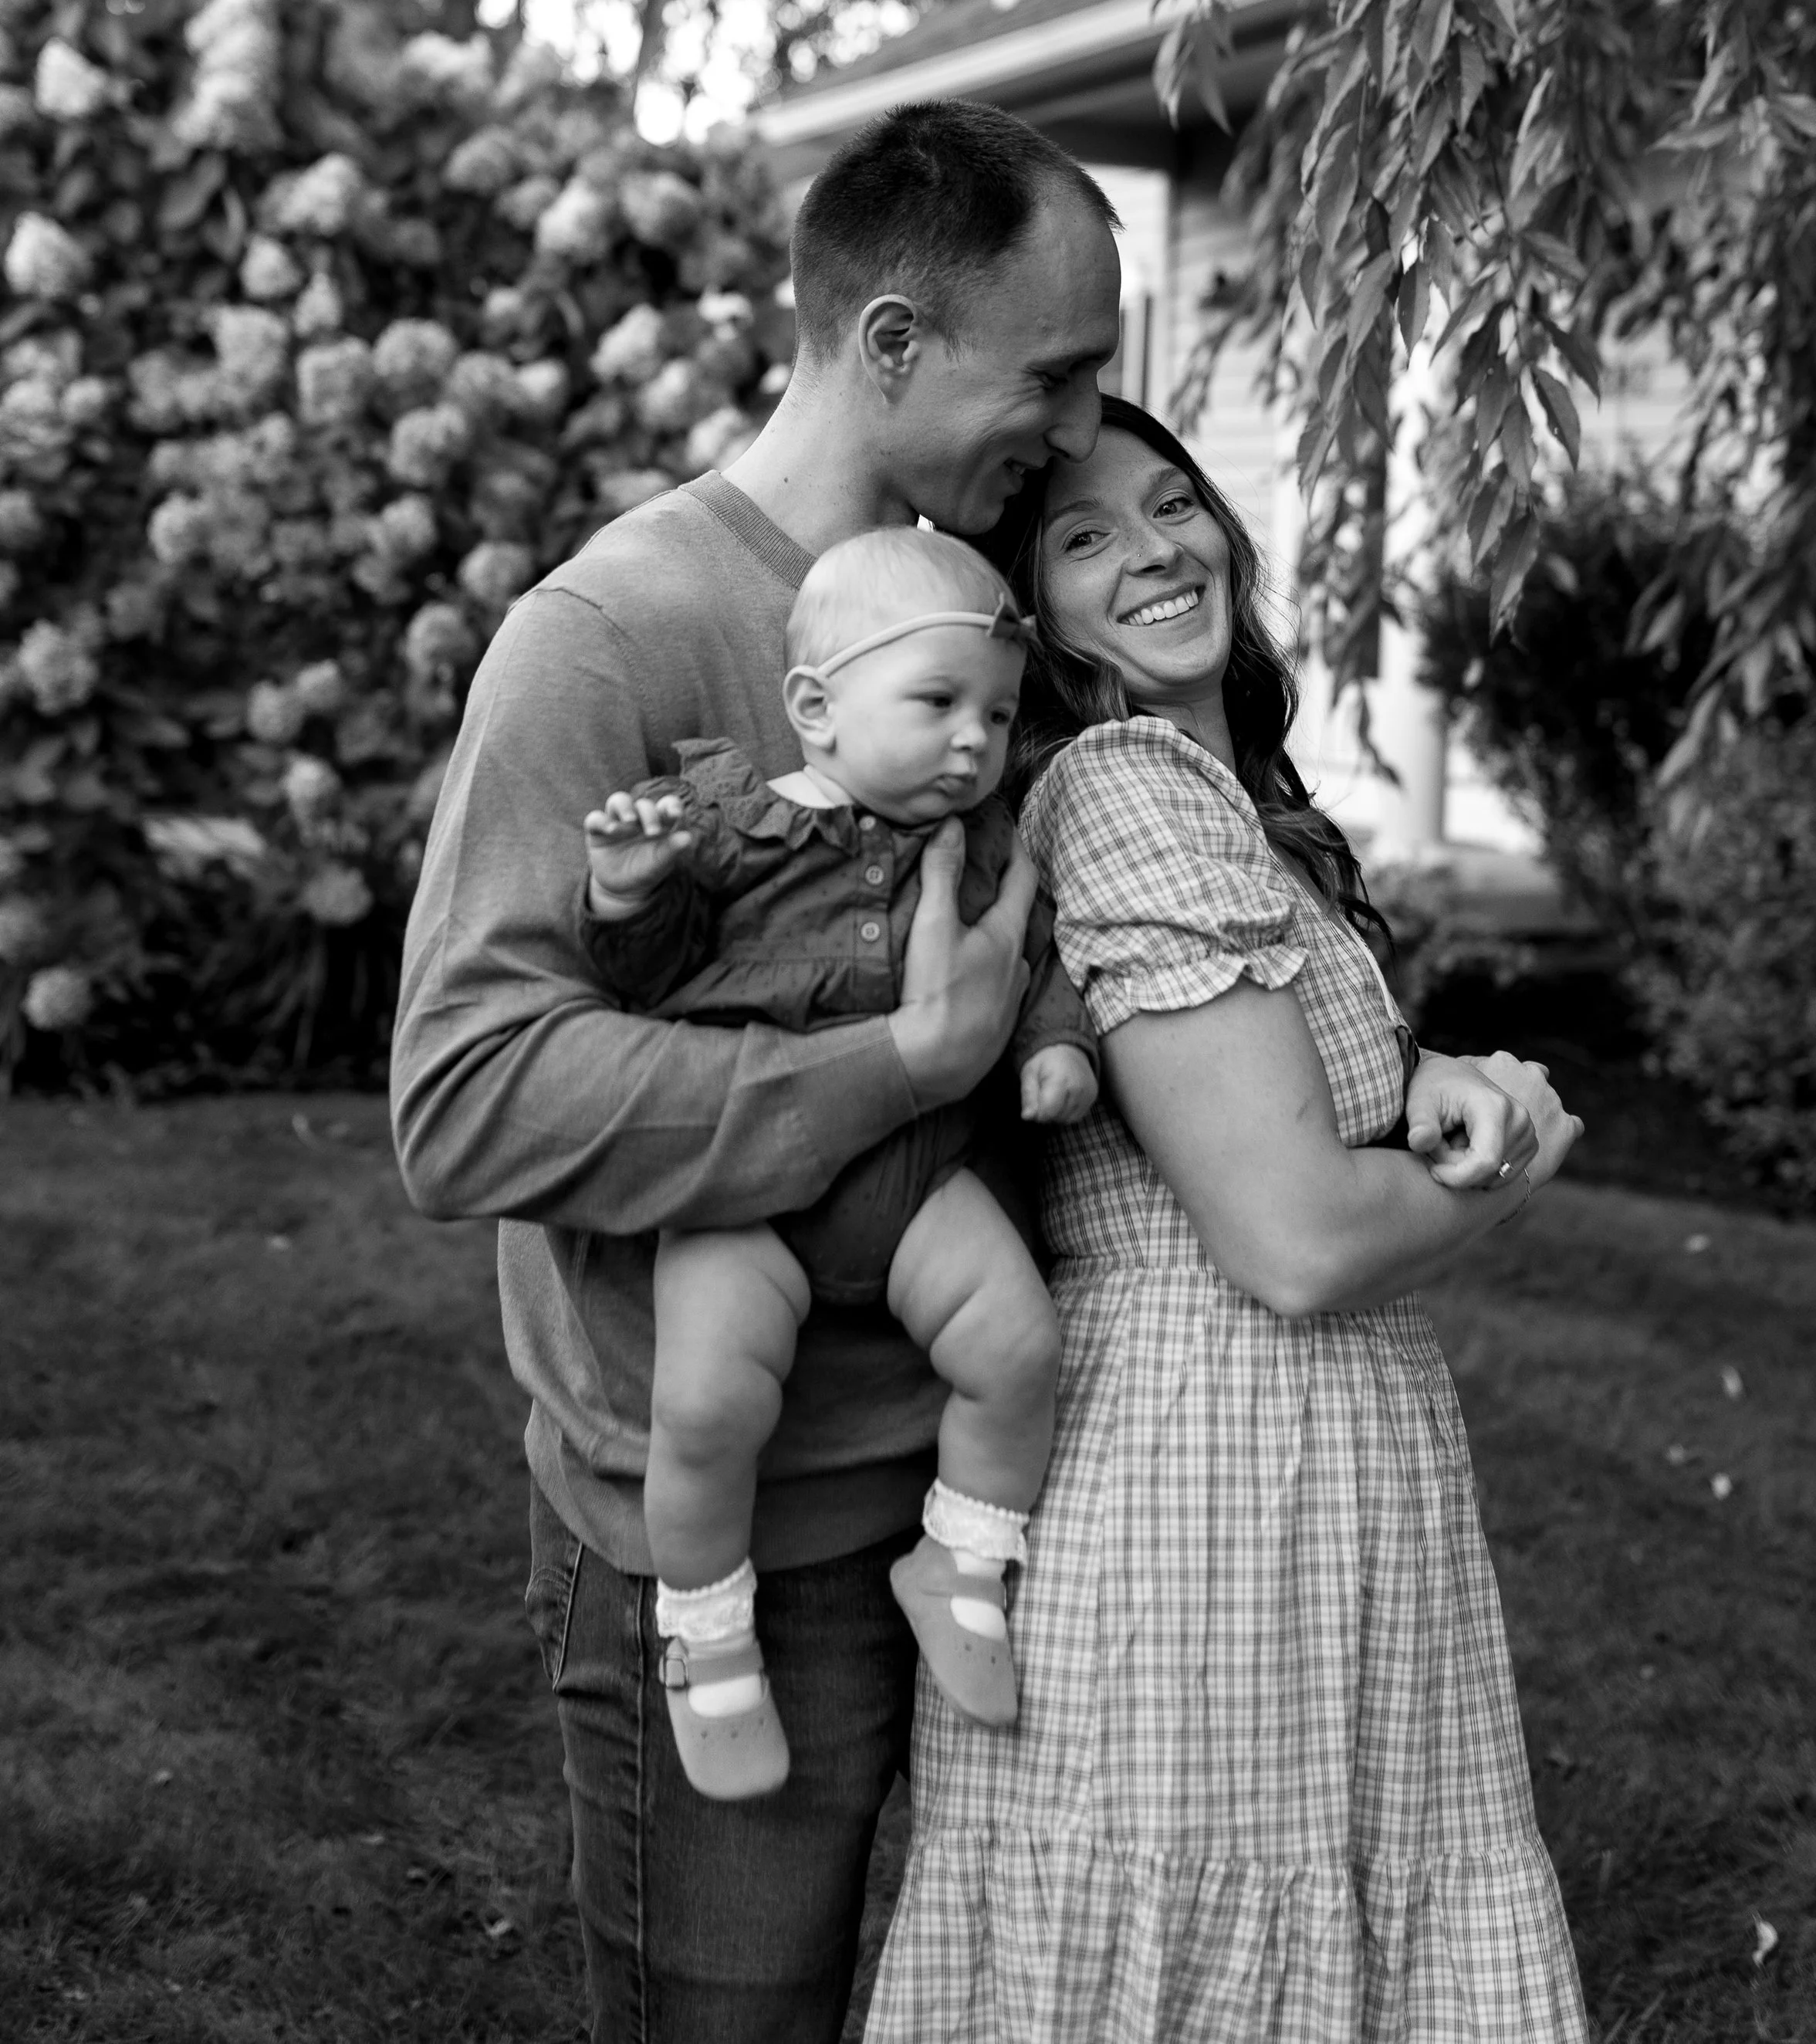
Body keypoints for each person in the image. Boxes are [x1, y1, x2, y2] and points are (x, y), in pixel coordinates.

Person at [391, 98, 1537, 2044]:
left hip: (1015, 1512)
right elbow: (467, 1099)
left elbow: (1158, 947)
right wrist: (892, 1065)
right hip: (744, 1532)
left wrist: (1396, 1073)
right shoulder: (618, 635)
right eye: (1063, 371)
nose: (1089, 429)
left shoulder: (1001, 626)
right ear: (895, 344)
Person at [864, 395, 1590, 2044]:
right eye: (1082, 537)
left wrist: (1436, 1079)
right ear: (1027, 613)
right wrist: (1520, 1151)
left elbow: (1294, 1100)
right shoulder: (1125, 789)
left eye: (1172, 505)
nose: (1153, 552)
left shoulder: (1228, 793)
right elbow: (1293, 1242)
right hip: (1203, 1460)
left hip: (1306, 1460)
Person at [577, 526, 1097, 1802]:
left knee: (1018, 1341)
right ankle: (707, 1635)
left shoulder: (981, 849)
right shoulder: (730, 827)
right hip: (748, 1199)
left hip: (914, 1184)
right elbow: (640, 985)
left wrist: (1056, 1049)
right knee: (703, 1408)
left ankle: (963, 1560)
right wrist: (630, 894)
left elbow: (1035, 965)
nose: (976, 740)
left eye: (996, 711)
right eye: (938, 702)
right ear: (816, 706)